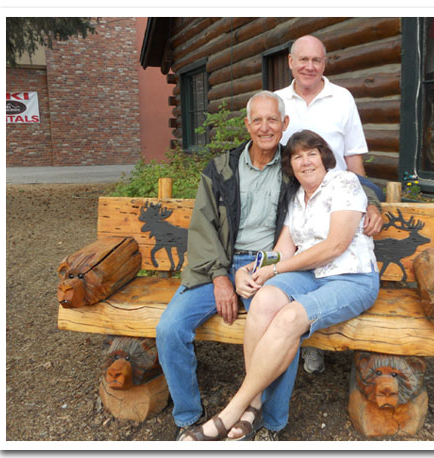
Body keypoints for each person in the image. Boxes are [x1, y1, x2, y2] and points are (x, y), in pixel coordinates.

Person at [181, 130, 380, 441]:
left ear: (324, 157)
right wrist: (248, 269)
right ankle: (255, 406)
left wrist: (276, 270)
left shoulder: (344, 183)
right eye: (297, 156)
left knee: (289, 318)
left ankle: (233, 410)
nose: (306, 161)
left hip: (351, 277)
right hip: (311, 274)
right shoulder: (298, 197)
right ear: (290, 166)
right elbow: (282, 251)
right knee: (263, 300)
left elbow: (335, 246)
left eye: (312, 153)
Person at [156, 90, 292, 441]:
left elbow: (345, 181)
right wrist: (220, 277)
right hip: (218, 262)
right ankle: (188, 416)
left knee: (283, 329)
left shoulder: (295, 165)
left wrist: (370, 201)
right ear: (247, 125)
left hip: (267, 267)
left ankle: (269, 422)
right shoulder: (220, 169)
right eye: (257, 120)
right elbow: (203, 227)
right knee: (170, 328)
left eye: (272, 120)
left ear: (285, 123)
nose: (265, 127)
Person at [276, 34, 384, 374]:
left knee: (323, 261)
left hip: (338, 204)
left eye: (316, 60)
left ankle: (307, 337)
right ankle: (295, 339)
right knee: (295, 269)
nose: (309, 66)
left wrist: (369, 201)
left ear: (324, 63)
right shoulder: (278, 101)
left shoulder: (342, 98)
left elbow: (353, 159)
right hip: (293, 201)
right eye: (303, 59)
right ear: (291, 62)